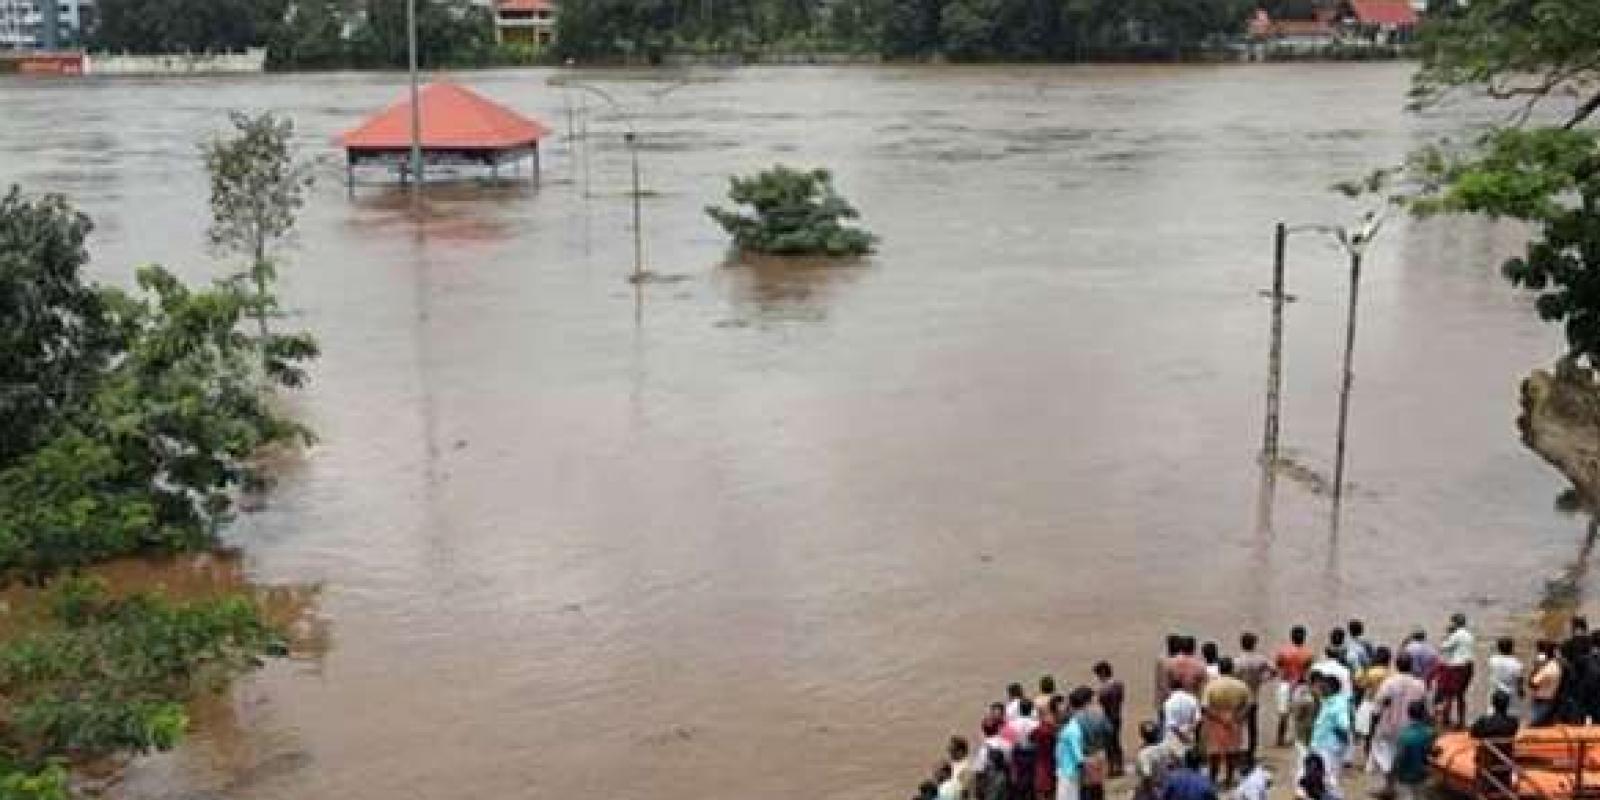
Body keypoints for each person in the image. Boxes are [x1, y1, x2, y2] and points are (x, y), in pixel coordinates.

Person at [1369, 653, 1429, 790]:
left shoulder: (1389, 683)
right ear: (1411, 666)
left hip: (1389, 726)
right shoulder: (1419, 684)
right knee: (1404, 758)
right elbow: (1425, 707)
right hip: (1410, 728)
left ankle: (1389, 787)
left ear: (1396, 665)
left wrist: (1372, 728)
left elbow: (1378, 706)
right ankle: (1397, 786)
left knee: (1386, 756)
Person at [1200, 658, 1251, 786]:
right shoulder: (1241, 685)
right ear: (1232, 669)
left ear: (1219, 669)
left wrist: (1219, 718)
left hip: (1215, 723)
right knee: (1232, 752)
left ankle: (1212, 780)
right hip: (1234, 721)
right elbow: (1249, 705)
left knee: (1214, 753)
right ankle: (1229, 779)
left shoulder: (1211, 686)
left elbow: (1205, 707)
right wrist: (1237, 717)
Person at [1469, 690, 1520, 799]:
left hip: (1487, 760)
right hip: (1505, 760)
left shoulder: (1484, 721)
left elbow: (1473, 733)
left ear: (1493, 704)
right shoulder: (1514, 722)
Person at [1234, 633, 1276, 762]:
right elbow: (1274, 671)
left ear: (1241, 644)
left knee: (1237, 726)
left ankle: (1236, 752)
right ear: (1254, 644)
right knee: (1253, 728)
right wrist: (1262, 680)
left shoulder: (1237, 661)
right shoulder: (1260, 659)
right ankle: (1251, 754)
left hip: (1239, 699)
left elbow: (1231, 677)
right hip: (1253, 696)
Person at [1310, 673, 1352, 792]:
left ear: (1331, 688)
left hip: (1329, 748)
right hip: (1322, 746)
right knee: (1322, 779)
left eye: (1324, 686)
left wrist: (1343, 745)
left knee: (1329, 780)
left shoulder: (1338, 705)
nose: (1321, 688)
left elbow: (1344, 727)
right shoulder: (1328, 701)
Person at [1276, 626, 1317, 747]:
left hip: (1286, 683)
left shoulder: (1283, 652)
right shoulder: (1308, 653)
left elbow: (1279, 665)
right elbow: (1309, 671)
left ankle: (1280, 738)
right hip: (1301, 685)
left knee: (1283, 713)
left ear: (1291, 637)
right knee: (1301, 715)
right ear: (1304, 638)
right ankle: (1299, 738)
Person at [1437, 613, 1476, 728]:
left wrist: (1447, 636)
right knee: (1460, 695)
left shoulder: (1457, 635)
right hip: (1468, 666)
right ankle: (1461, 720)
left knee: (1449, 694)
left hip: (1457, 667)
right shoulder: (1469, 635)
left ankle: (1446, 720)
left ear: (1455, 623)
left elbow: (1444, 647)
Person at [1354, 646, 1393, 761]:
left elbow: (1360, 684)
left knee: (1368, 734)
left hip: (1369, 703)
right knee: (1379, 734)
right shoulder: (1391, 673)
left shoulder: (1371, 672)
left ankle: (1368, 756)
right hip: (1385, 706)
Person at [1074, 687, 1113, 800]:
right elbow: (1109, 731)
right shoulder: (1099, 713)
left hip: (1083, 756)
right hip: (1098, 754)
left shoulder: (1075, 717)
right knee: (1098, 789)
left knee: (1083, 789)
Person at [1391, 701, 1436, 800]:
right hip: (1422, 775)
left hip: (1406, 776)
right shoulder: (1430, 733)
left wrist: (1394, 774)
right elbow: (1432, 752)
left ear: (1408, 714)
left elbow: (1399, 758)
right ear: (1423, 714)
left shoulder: (1404, 735)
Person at [1056, 688, 1091, 800]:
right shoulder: (1069, 728)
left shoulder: (1072, 730)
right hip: (1066, 771)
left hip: (1069, 773)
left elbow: (1078, 757)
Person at [1093, 662, 1126, 777]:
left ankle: (1112, 767)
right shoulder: (1118, 685)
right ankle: (1119, 766)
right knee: (1116, 742)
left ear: (1103, 673)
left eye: (1098, 675)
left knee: (1109, 744)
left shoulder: (1104, 688)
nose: (1098, 677)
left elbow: (1102, 702)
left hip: (1108, 718)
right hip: (1117, 717)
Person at [1134, 720, 1182, 800]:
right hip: (1168, 785)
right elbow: (1178, 763)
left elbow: (1147, 777)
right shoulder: (1166, 746)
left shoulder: (1143, 754)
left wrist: (1154, 796)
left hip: (1153, 790)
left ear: (1142, 735)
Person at [1033, 697, 1063, 800]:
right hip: (1052, 761)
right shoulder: (1053, 728)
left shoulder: (1040, 729)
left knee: (1043, 789)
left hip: (1043, 761)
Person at [1529, 640, 1563, 727]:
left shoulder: (1547, 669)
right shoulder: (1557, 665)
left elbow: (1532, 684)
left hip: (1542, 701)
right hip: (1552, 699)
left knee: (1534, 726)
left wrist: (1535, 669)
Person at [1487, 637, 1525, 710]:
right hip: (1510, 693)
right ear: (1512, 648)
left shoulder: (1492, 660)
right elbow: (1519, 680)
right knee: (1510, 713)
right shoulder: (1517, 664)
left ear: (1498, 648)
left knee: (1493, 711)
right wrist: (1521, 691)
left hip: (1495, 691)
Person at [1163, 677, 1202, 746]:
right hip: (1189, 738)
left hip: (1173, 741)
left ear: (1170, 688)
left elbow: (1172, 725)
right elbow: (1198, 720)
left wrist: (1182, 737)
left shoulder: (1169, 702)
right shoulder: (1192, 699)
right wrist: (1188, 730)